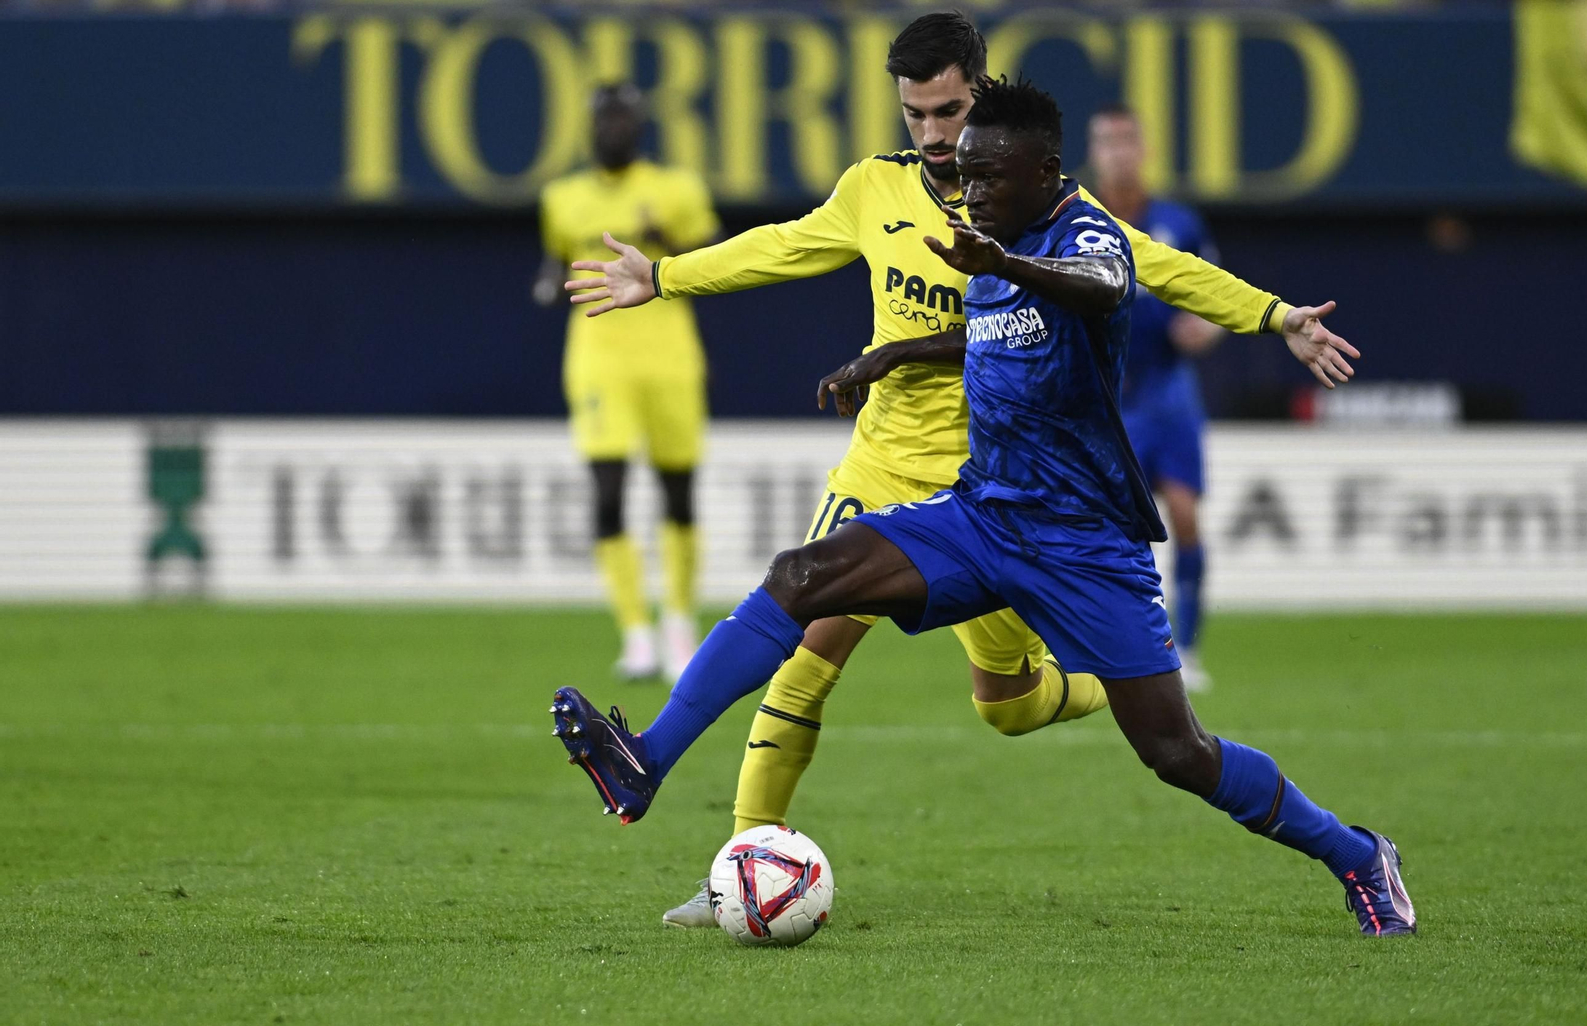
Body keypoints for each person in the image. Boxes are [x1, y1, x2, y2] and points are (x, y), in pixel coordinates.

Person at [551, 78, 1411, 938]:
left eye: (989, 177)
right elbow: (989, 329)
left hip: (1081, 543)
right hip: (982, 515)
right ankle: (645, 760)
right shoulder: (985, 239)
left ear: (1045, 170)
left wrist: (1266, 316)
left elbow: (1102, 285)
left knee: (1176, 752)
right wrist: (894, 353)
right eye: (964, 175)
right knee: (802, 576)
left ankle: (1357, 854)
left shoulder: (1081, 234)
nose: (970, 193)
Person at [535, 84, 720, 682]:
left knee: (678, 492)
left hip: (669, 356)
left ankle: (679, 624)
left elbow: (715, 259)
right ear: (590, 125)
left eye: (623, 118)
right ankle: (636, 633)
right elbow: (556, 266)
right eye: (604, 118)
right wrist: (548, 286)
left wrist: (668, 243)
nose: (613, 128)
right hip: (598, 359)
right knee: (608, 492)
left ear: (639, 126)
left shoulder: (676, 189)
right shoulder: (561, 198)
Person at [1087, 103, 1222, 692]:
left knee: (1184, 514)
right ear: (1094, 153)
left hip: (1167, 387)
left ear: (1144, 150)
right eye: (1107, 141)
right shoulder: (1076, 221)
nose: (1118, 152)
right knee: (1111, 525)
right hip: (1104, 391)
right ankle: (1123, 642)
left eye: (1126, 140)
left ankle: (1186, 647)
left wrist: (1204, 328)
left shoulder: (1178, 223)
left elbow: (1214, 296)